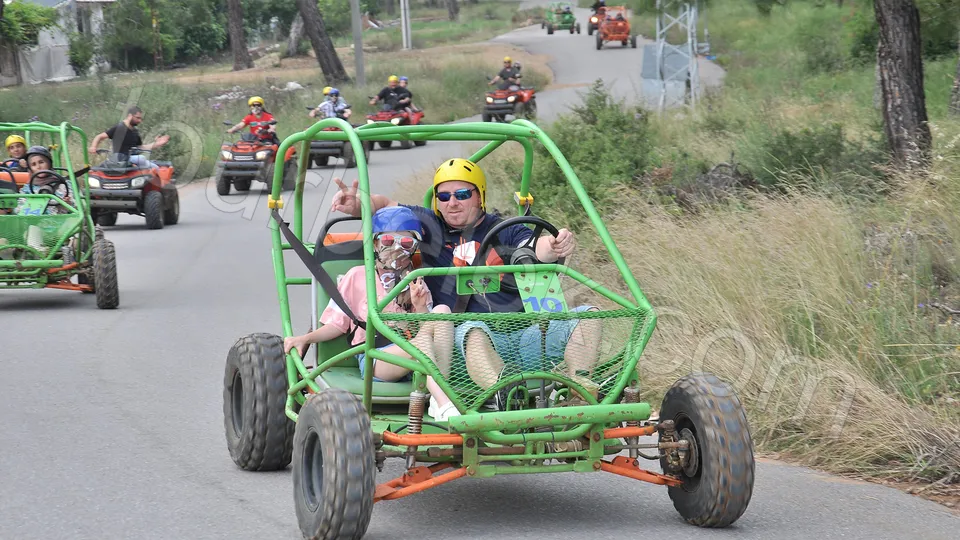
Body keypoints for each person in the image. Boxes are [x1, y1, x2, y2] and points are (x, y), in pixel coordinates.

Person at [328, 158, 602, 398]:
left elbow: (535, 247)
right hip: (461, 345)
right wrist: (359, 204)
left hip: (522, 336)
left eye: (461, 193)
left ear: (479, 195)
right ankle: (504, 398)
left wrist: (554, 245)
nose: (453, 202)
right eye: (444, 196)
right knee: (474, 330)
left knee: (589, 317)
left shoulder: (504, 229)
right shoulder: (430, 226)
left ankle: (578, 392)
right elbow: (386, 205)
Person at [283, 206, 462, 421]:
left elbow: (425, 330)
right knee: (421, 343)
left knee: (442, 311)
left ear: (414, 247)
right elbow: (337, 324)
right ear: (375, 243)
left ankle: (437, 400)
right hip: (375, 356)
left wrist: (421, 306)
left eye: (405, 243)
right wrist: (306, 338)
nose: (396, 249)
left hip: (411, 356)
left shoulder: (415, 280)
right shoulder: (358, 276)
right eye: (388, 241)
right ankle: (444, 403)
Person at [88, 106, 170, 170]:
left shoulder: (135, 131)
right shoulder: (119, 128)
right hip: (120, 159)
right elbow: (99, 136)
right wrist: (93, 147)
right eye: (137, 118)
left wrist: (157, 144)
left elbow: (141, 147)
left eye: (141, 118)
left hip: (132, 159)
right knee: (142, 159)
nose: (139, 121)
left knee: (156, 168)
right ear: (130, 116)